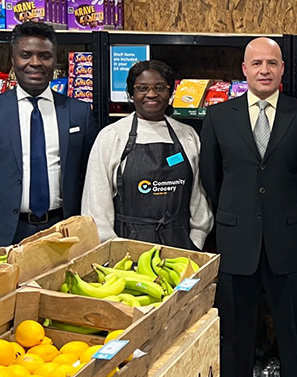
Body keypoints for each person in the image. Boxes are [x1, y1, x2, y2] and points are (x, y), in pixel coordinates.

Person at [199, 37, 297, 377]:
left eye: (272, 63)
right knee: (235, 335)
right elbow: (212, 178)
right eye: (257, 63)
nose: (264, 69)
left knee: (294, 333)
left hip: (288, 240)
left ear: (284, 68)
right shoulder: (218, 116)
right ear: (244, 69)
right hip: (236, 242)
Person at [0, 21, 98, 250]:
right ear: (13, 60)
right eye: (26, 55)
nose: (35, 63)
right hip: (3, 231)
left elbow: (89, 173)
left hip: (63, 229)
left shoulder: (79, 113)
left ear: (54, 61)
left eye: (44, 56)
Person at [81, 60, 212, 250]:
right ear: (131, 93)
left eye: (160, 87)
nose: (151, 94)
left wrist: (196, 240)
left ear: (170, 92)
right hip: (127, 248)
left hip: (181, 246)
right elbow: (96, 206)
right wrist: (115, 252)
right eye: (142, 88)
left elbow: (199, 197)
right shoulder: (112, 137)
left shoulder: (188, 135)